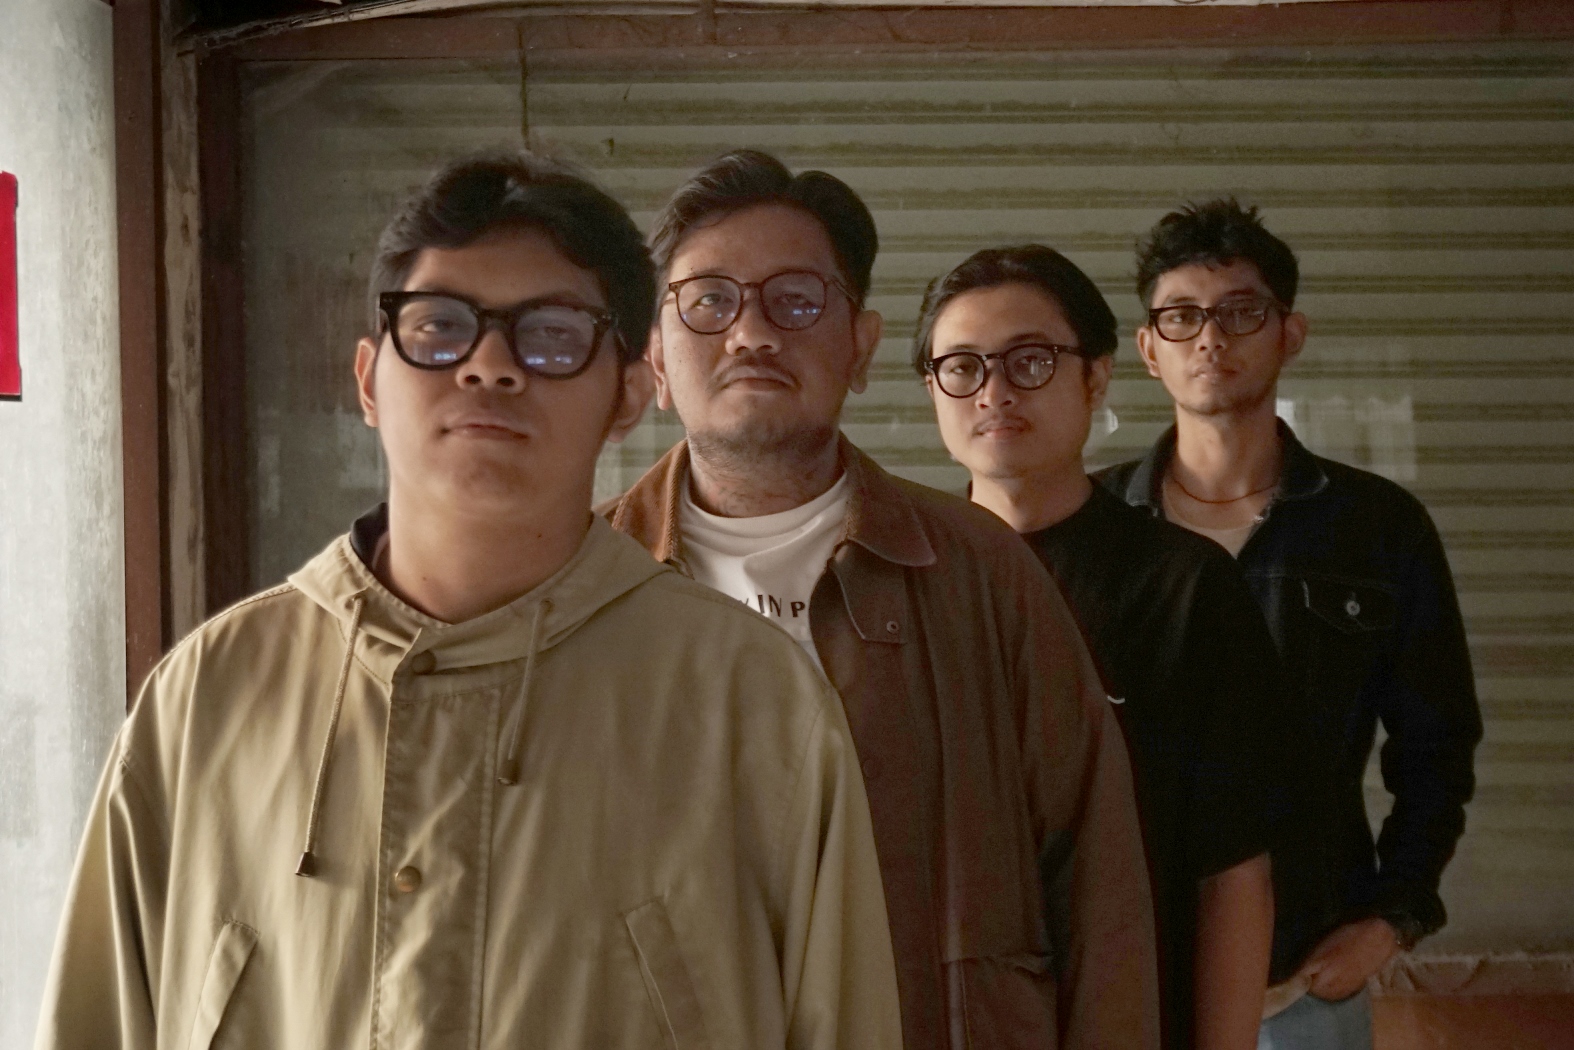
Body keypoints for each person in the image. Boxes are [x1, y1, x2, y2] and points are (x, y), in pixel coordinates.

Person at [34, 151, 902, 1050]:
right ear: (368, 381)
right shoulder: (207, 697)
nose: (489, 366)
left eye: (553, 335)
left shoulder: (753, 702)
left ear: (628, 396)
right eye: (439, 327)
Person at [603, 149, 1160, 1050]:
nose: (750, 333)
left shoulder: (983, 571)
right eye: (707, 301)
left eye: (796, 300)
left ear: (860, 347)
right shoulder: (585, 586)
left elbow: (1102, 893)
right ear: (656, 359)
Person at [1100, 199, 1483, 1050]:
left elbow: (1437, 743)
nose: (1210, 338)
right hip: (1125, 971)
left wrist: (1394, 917)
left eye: (1240, 312)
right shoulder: (1097, 524)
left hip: (1305, 973)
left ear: (1290, 334)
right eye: (1181, 316)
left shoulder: (1376, 527)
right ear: (1150, 350)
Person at [914, 243, 1296, 1050]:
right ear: (931, 391)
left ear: (1095, 377)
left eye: (1030, 361)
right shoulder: (900, 588)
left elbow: (1233, 874)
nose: (993, 392)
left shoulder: (1184, 587)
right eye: (962, 367)